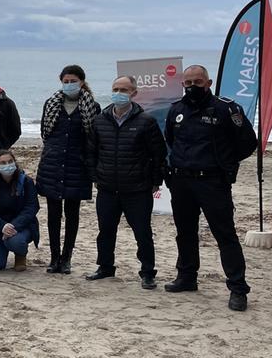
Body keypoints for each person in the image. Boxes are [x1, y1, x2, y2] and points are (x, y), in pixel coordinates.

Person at [164, 65, 258, 311]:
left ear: (209, 82)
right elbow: (171, 141)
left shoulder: (226, 108)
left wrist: (224, 163)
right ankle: (187, 277)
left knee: (225, 235)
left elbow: (248, 142)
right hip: (182, 181)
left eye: (198, 81)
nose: (193, 86)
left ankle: (238, 288)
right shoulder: (177, 110)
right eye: (188, 83)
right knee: (185, 233)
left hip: (213, 182)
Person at [84, 76, 168, 288]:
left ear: (134, 93)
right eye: (115, 89)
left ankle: (148, 272)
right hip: (107, 189)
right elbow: (91, 152)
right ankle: (105, 267)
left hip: (137, 189)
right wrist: (95, 176)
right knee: (105, 231)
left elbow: (158, 154)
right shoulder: (100, 120)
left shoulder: (146, 121)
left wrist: (156, 181)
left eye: (124, 90)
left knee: (142, 232)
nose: (119, 93)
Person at [37, 65, 100, 274]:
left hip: (77, 166)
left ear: (82, 81)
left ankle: (67, 258)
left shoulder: (92, 106)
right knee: (53, 213)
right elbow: (45, 133)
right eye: (66, 81)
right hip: (52, 164)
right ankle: (54, 257)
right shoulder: (52, 103)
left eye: (73, 80)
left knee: (73, 214)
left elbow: (93, 138)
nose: (69, 84)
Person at [0, 149, 40, 271]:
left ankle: (20, 254)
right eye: (3, 163)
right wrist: (2, 226)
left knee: (16, 242)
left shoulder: (26, 181)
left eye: (10, 161)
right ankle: (1, 247)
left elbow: (32, 207)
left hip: (21, 227)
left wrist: (13, 225)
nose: (8, 165)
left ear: (15, 162)